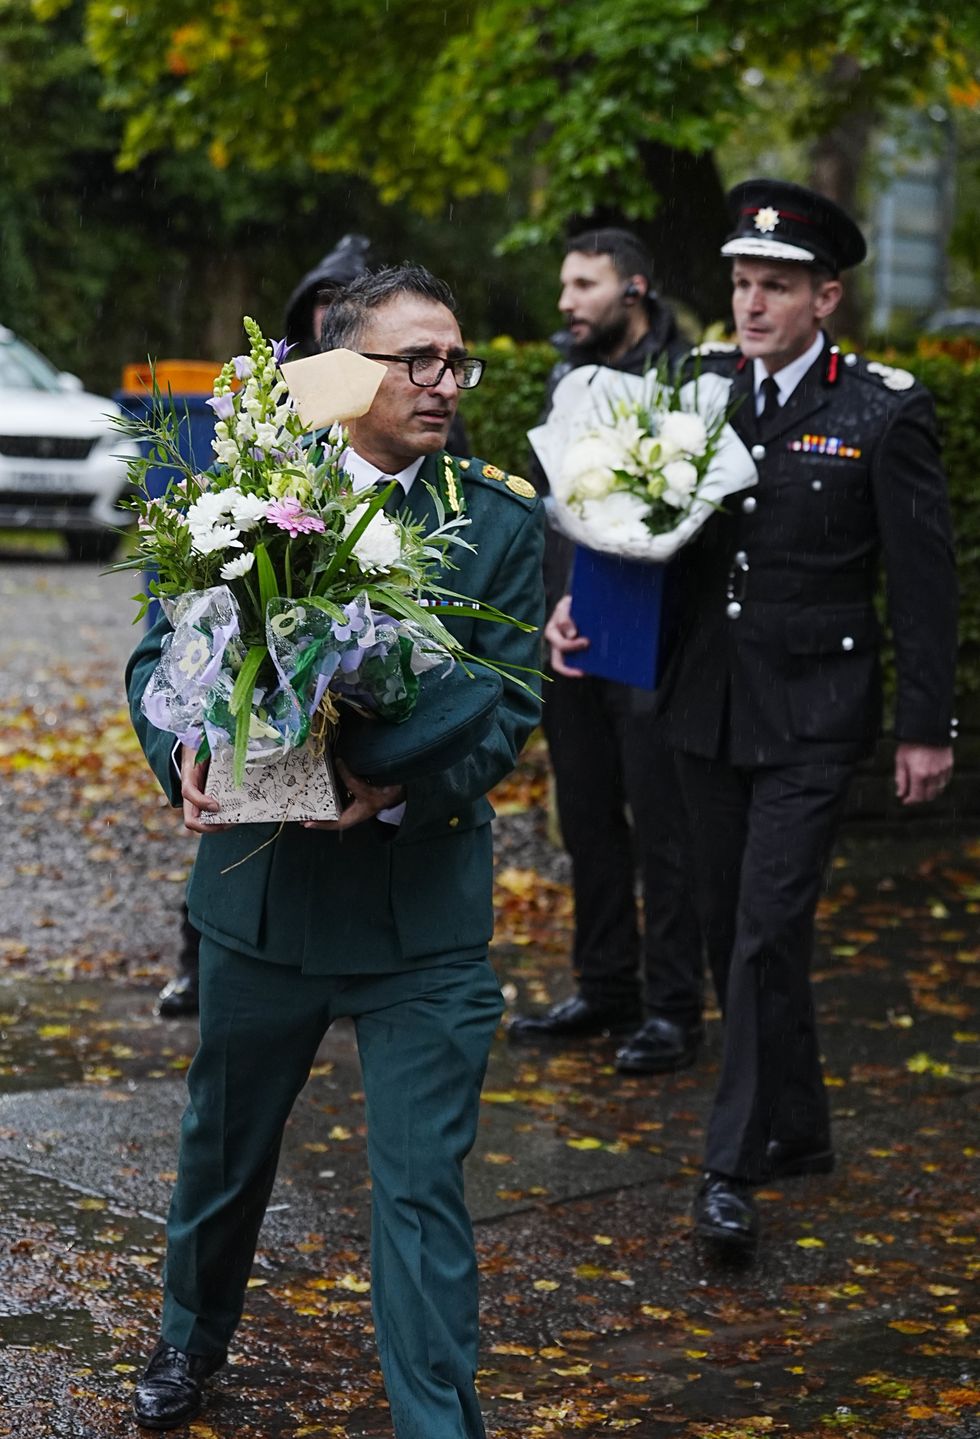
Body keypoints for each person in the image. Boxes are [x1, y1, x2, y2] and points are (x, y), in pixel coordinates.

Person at [125, 264, 544, 1434]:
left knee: (419, 1186)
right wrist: (182, 758)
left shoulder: (498, 516)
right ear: (344, 368)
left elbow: (507, 699)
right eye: (415, 358)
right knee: (224, 1150)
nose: (442, 381)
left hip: (423, 913)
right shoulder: (243, 492)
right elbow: (160, 652)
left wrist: (385, 776)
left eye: (454, 358)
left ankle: (435, 1420)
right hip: (266, 896)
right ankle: (188, 1336)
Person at [650, 179, 956, 1251]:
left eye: (773, 286)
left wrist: (926, 724)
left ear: (822, 296)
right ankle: (801, 1125)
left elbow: (920, 583)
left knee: (765, 928)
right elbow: (642, 533)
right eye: (739, 282)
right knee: (735, 925)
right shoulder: (689, 391)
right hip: (705, 699)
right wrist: (579, 610)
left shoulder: (880, 406)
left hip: (816, 710)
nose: (749, 303)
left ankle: (726, 1169)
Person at [507, 228, 705, 1076]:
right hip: (574, 628)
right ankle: (605, 986)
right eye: (564, 284)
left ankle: (672, 1008)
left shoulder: (693, 378)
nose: (566, 301)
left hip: (657, 636)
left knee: (662, 825)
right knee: (586, 819)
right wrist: (553, 603)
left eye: (584, 285)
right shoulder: (565, 372)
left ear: (635, 288)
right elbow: (551, 501)